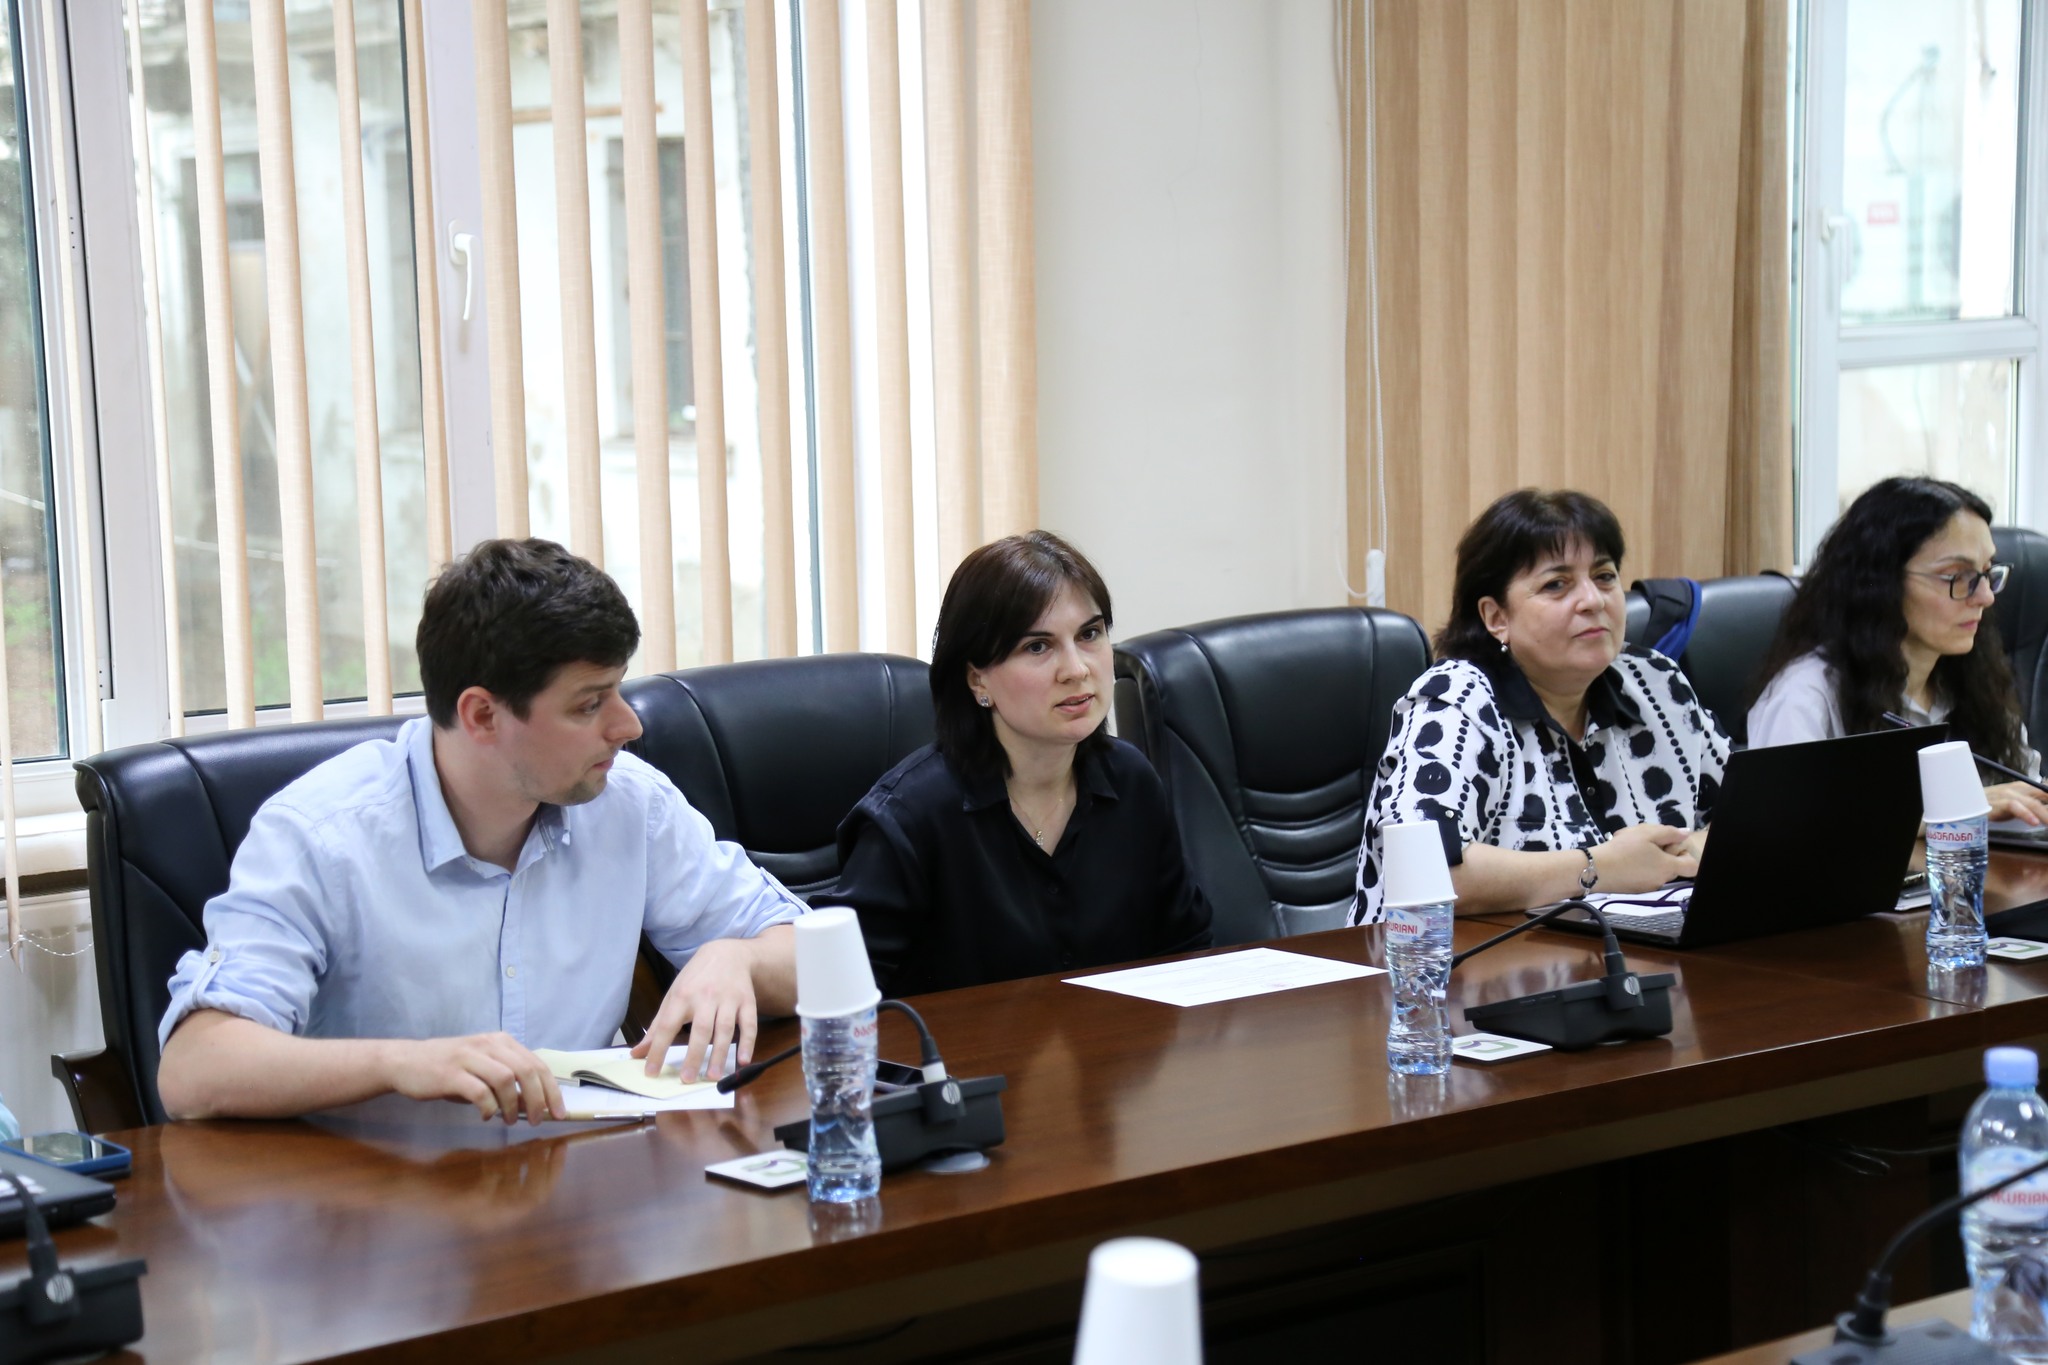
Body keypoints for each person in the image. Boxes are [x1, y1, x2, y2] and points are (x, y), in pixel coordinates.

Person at [154, 539, 802, 1124]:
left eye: (618, 691)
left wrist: (739, 957)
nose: (628, 726)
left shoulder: (629, 802)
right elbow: (192, 1069)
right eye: (589, 703)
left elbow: (825, 963)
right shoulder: (320, 836)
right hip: (379, 1198)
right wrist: (399, 1064)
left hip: (579, 1187)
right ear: (483, 715)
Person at [824, 531, 1212, 994]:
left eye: (1089, 635)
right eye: (1037, 647)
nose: (1076, 669)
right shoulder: (909, 817)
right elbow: (842, 994)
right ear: (977, 680)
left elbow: (1188, 952)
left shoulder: (1131, 781)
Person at [1351, 489, 1728, 922]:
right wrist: (1600, 868)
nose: (1593, 600)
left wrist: (1685, 851)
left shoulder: (1656, 684)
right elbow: (1423, 872)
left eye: (1604, 576)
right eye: (1556, 585)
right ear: (1497, 618)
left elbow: (1756, 814)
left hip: (1634, 953)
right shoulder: (1455, 702)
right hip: (1444, 960)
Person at [1748, 476, 2047, 825]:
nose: (1985, 597)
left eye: (1986, 573)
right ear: (1882, 582)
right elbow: (1785, 833)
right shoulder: (1805, 697)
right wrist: (1955, 808)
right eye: (1957, 577)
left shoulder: (1975, 683)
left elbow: (2025, 794)